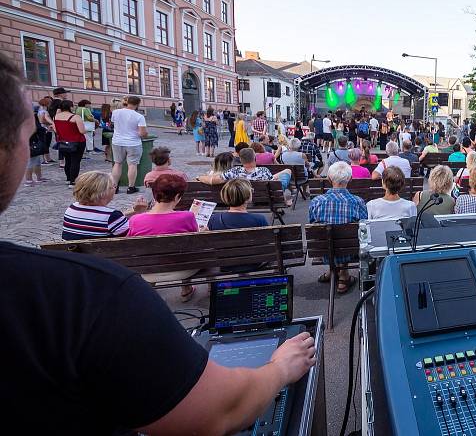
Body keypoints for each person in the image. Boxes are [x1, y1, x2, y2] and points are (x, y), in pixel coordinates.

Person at [0, 60, 317, 433]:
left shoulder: (122, 238)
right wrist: (280, 368)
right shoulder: (86, 296)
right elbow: (217, 412)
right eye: (29, 132)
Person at [128, 174, 199, 301]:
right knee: (187, 251)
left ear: (154, 194)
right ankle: (186, 289)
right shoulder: (187, 216)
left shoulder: (135, 220)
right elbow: (195, 242)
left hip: (147, 271)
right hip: (184, 268)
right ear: (177, 197)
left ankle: (149, 289)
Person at [309, 161, 367, 294]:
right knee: (351, 237)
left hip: (323, 251)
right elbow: (364, 228)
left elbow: (313, 226)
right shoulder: (357, 202)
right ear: (350, 179)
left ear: (329, 179)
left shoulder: (316, 202)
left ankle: (333, 271)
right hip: (350, 252)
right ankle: (343, 274)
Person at [62, 171, 148, 240]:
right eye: (113, 186)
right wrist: (141, 214)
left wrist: (134, 211)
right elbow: (134, 237)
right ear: (103, 193)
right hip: (101, 259)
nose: (115, 189)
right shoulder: (112, 216)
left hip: (74, 258)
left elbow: (102, 218)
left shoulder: (72, 208)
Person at [200, 148, 293, 203]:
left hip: (238, 199)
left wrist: (200, 177)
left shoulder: (234, 172)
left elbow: (212, 180)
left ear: (240, 160)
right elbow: (274, 185)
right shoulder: (264, 171)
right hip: (262, 199)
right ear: (254, 158)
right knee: (285, 174)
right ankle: (285, 198)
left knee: (282, 175)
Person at [110, 96, 147, 194]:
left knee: (117, 163)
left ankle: (115, 186)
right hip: (133, 143)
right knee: (132, 165)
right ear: (137, 104)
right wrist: (143, 134)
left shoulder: (115, 112)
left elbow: (114, 124)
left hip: (117, 141)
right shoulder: (139, 116)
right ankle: (131, 187)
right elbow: (142, 133)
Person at [53, 99, 87, 187]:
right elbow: (82, 131)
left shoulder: (56, 117)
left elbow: (56, 130)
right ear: (70, 107)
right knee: (75, 161)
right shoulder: (75, 117)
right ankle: (73, 181)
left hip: (63, 141)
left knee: (67, 161)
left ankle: (68, 178)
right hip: (77, 141)